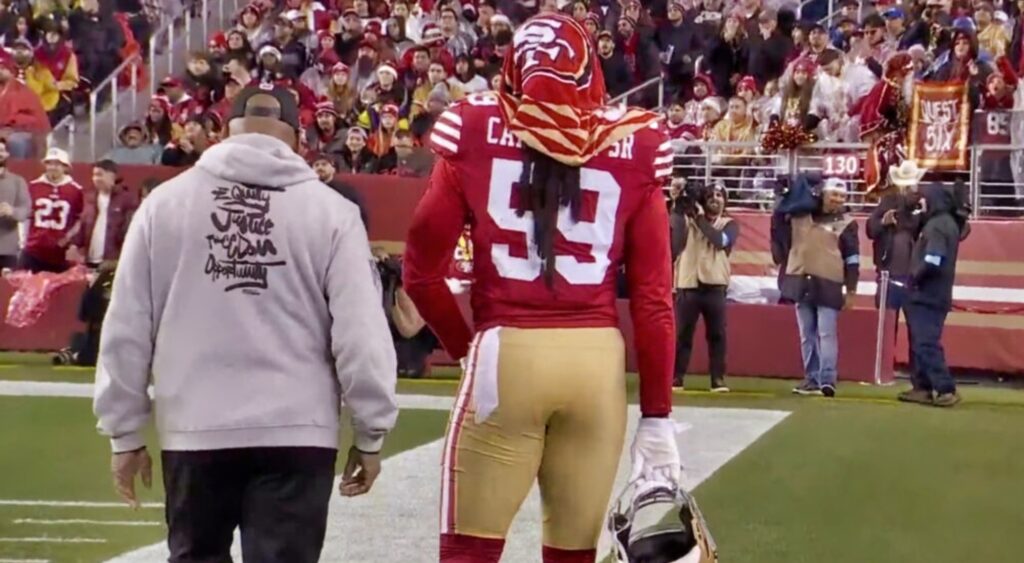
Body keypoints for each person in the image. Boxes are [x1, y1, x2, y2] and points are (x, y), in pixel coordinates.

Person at [402, 13, 678, 562]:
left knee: (468, 554)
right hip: (596, 364)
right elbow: (653, 300)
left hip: (507, 353)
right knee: (572, 556)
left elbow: (421, 273)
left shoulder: (473, 124)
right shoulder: (637, 138)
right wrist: (657, 413)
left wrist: (465, 350)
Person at [93, 84, 399, 563]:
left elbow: (127, 326)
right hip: (297, 430)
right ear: (298, 139)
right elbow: (360, 334)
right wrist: (371, 430)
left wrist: (124, 431)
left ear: (223, 133)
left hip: (195, 425)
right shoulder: (333, 213)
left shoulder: (164, 205)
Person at [773, 175, 860, 398]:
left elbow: (852, 259)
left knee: (826, 333)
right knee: (807, 334)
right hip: (801, 279)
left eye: (842, 196)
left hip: (829, 283)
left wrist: (851, 290)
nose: (838, 200)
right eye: (834, 194)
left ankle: (827, 379)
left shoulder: (847, 223)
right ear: (823, 194)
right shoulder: (801, 215)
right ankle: (811, 379)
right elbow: (780, 221)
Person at [900, 184, 969, 407]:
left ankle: (944, 388)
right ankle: (923, 387)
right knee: (922, 342)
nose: (921, 203)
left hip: (928, 293)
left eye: (924, 199)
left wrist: (915, 278)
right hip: (934, 293)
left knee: (925, 343)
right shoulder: (946, 223)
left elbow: (934, 259)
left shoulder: (937, 225)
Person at [670, 181, 739, 392]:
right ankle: (676, 377)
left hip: (715, 285)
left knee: (717, 334)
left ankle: (717, 379)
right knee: (683, 334)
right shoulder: (687, 220)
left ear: (725, 201)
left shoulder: (729, 224)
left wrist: (698, 218)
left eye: (720, 195)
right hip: (688, 283)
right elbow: (675, 241)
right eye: (710, 196)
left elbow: (719, 241)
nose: (715, 199)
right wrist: (677, 203)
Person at [20, 147, 84, 273]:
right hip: (34, 249)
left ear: (65, 167)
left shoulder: (76, 190)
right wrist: (23, 241)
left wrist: (68, 238)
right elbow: (26, 216)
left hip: (59, 252)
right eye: (50, 163)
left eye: (57, 164)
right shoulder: (33, 186)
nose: (53, 167)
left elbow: (80, 219)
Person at [67, 160, 140, 268]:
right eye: (94, 175)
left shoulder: (127, 200)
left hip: (113, 261)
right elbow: (83, 225)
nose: (96, 179)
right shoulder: (89, 198)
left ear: (112, 176)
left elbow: (130, 232)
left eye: (100, 175)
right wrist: (74, 244)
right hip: (90, 260)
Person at [0, 138, 29, 270]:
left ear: (7, 154)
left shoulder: (17, 181)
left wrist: (12, 211)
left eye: (1, 150)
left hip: (7, 249)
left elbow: (26, 210)